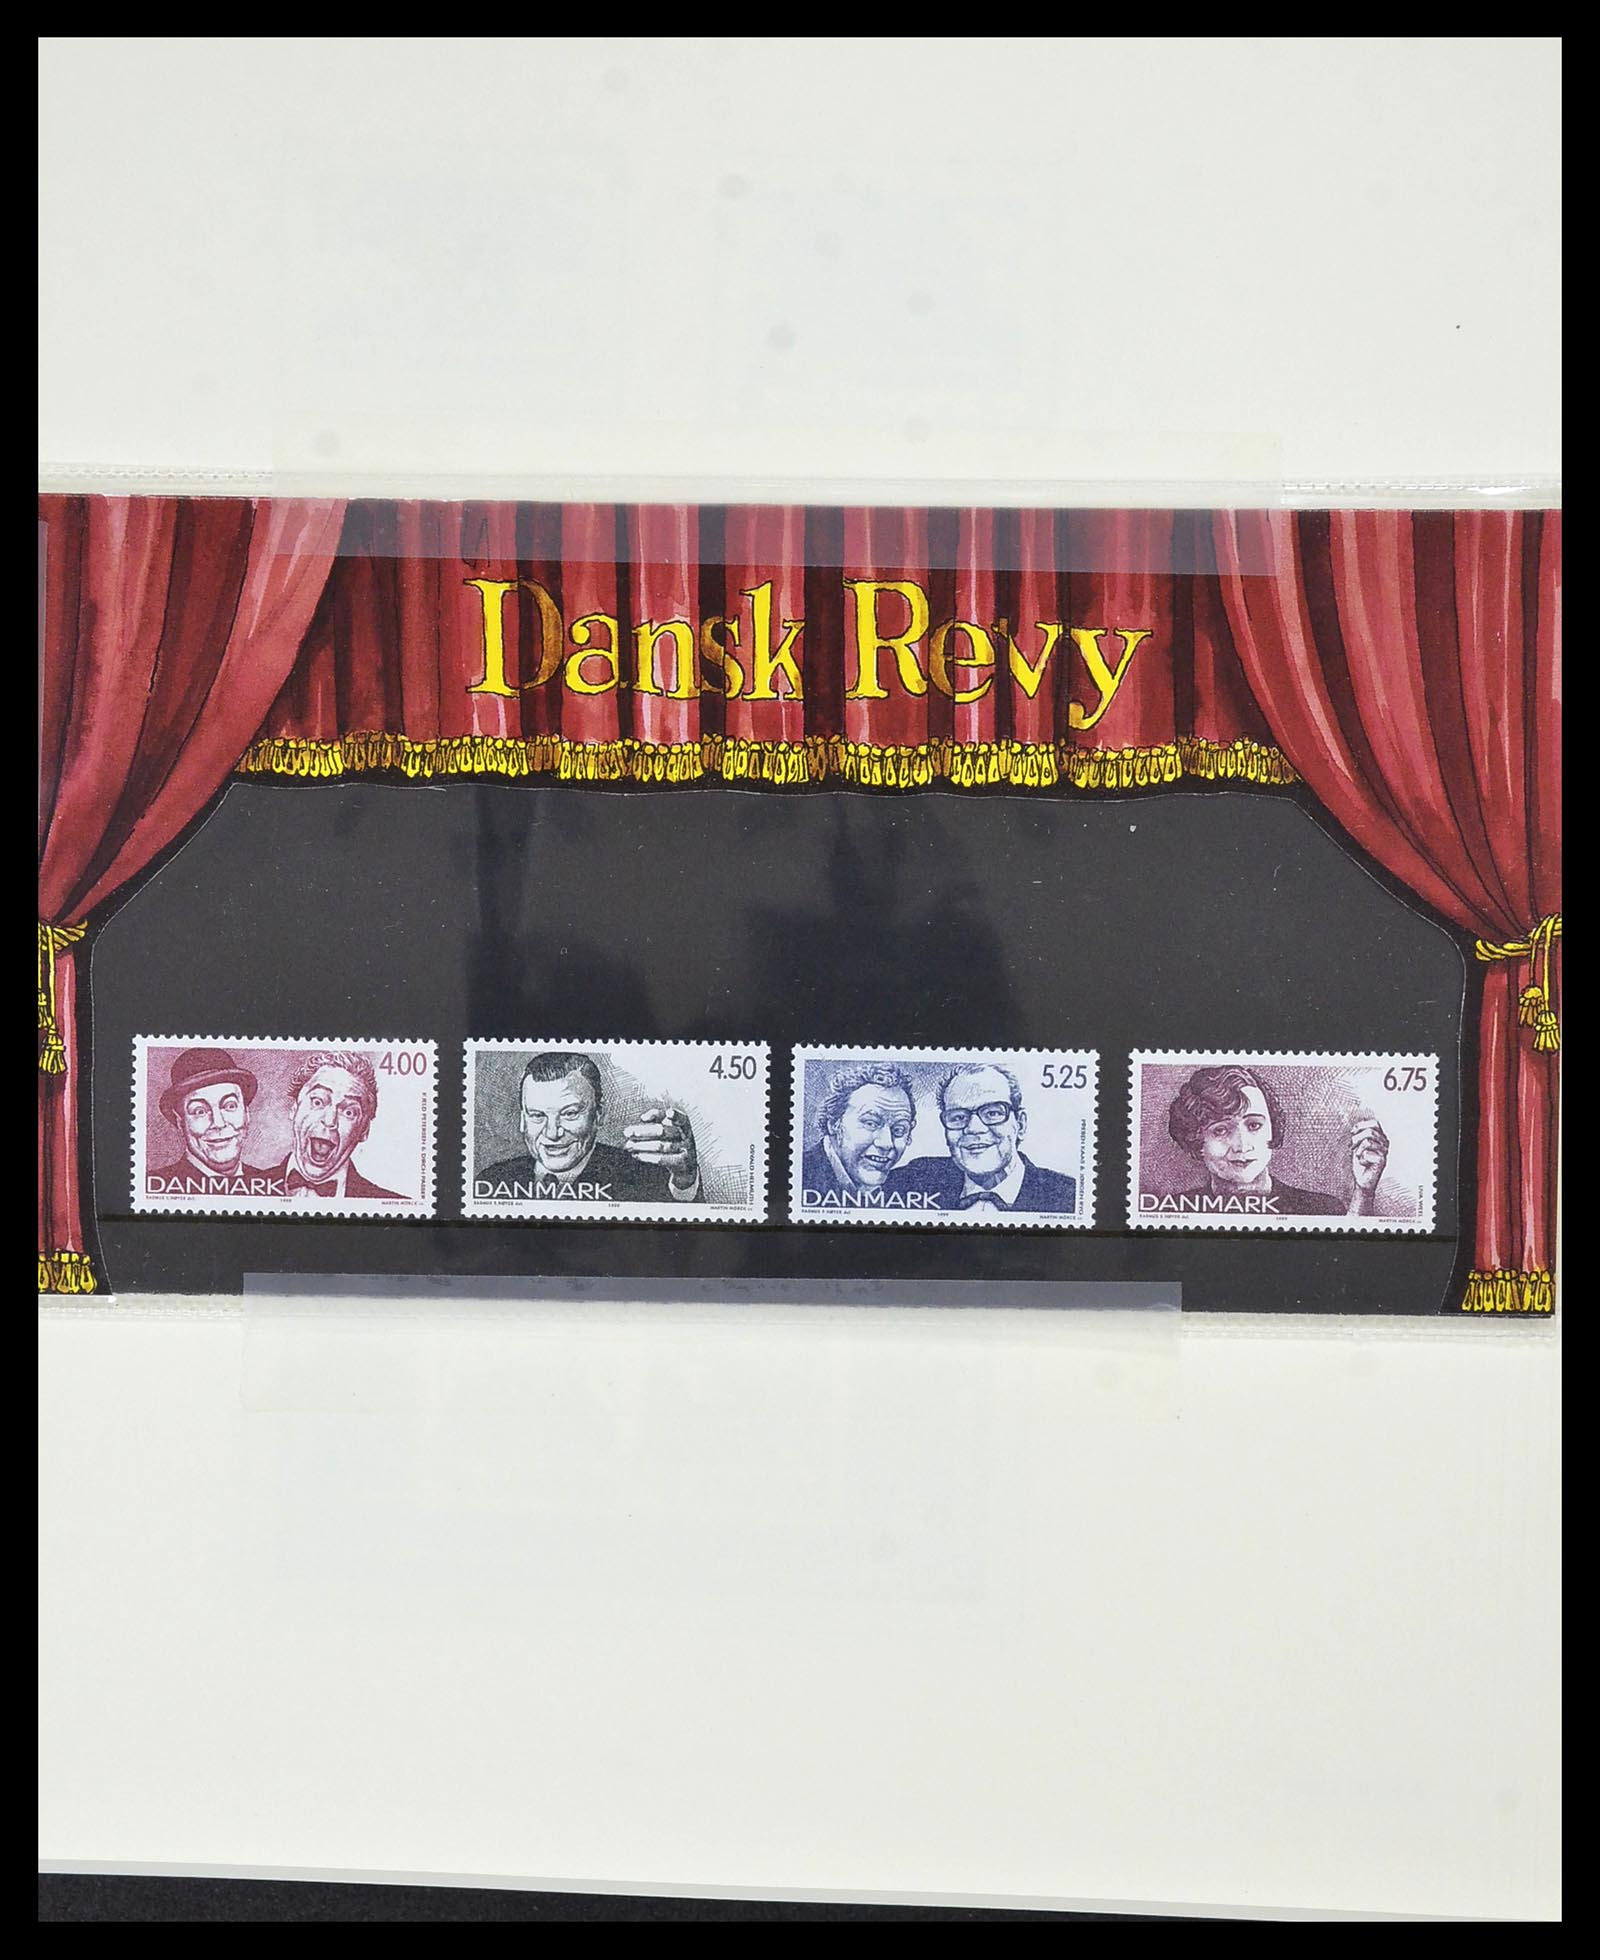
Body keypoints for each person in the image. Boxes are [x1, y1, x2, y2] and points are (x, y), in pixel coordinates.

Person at [1161, 1064, 1388, 1215]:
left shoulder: (1323, 1209)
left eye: (1254, 1125)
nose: (1242, 1146)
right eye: (1220, 1130)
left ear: (1272, 1129)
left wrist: (1364, 1192)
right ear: (1196, 1140)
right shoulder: (1173, 1211)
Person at [476, 1051, 702, 1201]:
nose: (552, 1133)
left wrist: (685, 1180)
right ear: (522, 1120)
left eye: (570, 1113)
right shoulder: (492, 1180)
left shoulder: (643, 1177)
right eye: (537, 1115)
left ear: (598, 1115)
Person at [884, 1063, 1077, 1213]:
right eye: (958, 1117)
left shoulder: (1067, 1195)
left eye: (992, 1113)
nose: (974, 1129)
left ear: (1020, 1124)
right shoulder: (910, 1180)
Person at [262, 1049, 409, 1201]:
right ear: (294, 1109)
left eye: (349, 1112)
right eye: (318, 1102)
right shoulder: (248, 1185)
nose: (330, 1121)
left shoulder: (393, 1203)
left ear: (364, 1130)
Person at [148, 1046, 270, 1191]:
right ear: (181, 1123)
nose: (218, 1123)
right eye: (200, 1111)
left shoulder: (267, 1183)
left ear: (246, 1114)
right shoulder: (154, 1184)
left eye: (229, 1106)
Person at [800, 1062, 916, 1203]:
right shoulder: (799, 1175)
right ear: (834, 1124)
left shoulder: (904, 1186)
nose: (887, 1144)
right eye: (870, 1123)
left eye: (899, 1130)